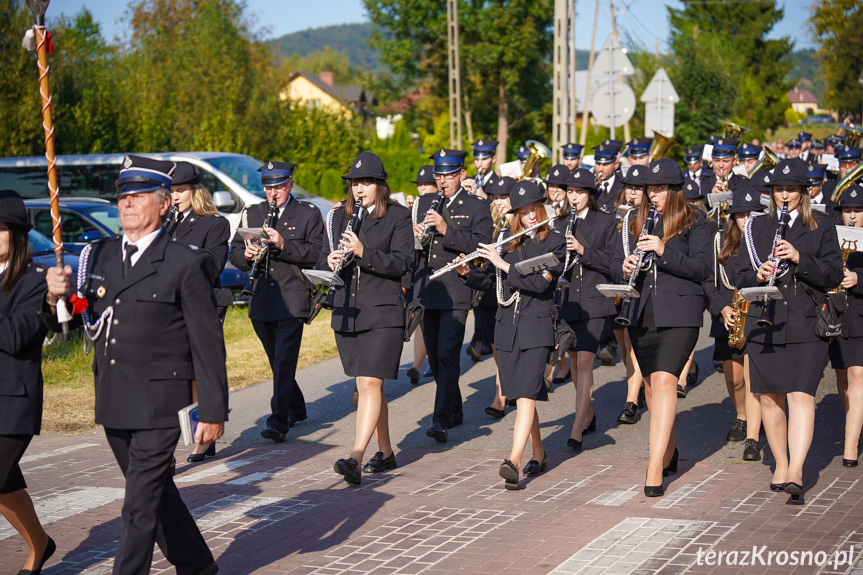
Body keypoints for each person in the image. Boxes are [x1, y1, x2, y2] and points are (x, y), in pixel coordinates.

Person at [44, 155, 228, 574]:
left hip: (161, 402)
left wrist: (214, 411)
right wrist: (53, 296)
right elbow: (78, 316)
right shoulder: (101, 256)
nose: (127, 204)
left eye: (138, 196)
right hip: (115, 398)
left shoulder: (185, 260)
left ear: (164, 204)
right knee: (155, 493)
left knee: (137, 506)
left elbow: (207, 342)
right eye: (123, 197)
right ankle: (198, 565)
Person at [736, 159, 843, 499]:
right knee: (769, 397)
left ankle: (796, 468)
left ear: (804, 192)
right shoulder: (755, 228)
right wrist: (756, 274)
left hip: (806, 321)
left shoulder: (822, 225)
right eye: (779, 190)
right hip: (764, 322)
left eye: (791, 190)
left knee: (801, 395)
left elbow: (833, 274)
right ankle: (780, 461)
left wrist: (799, 258)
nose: (784, 195)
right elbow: (738, 278)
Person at [611, 159, 712, 497]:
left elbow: (700, 268)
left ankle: (654, 468)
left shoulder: (696, 222)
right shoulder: (636, 220)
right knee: (652, 388)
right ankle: (668, 452)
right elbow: (613, 259)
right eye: (648, 189)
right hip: (642, 313)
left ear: (674, 190)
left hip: (680, 313)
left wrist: (664, 250)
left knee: (667, 380)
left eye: (658, 188)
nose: (651, 194)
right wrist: (622, 268)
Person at [455, 181, 566, 489]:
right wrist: (468, 274)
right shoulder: (507, 239)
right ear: (515, 215)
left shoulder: (555, 242)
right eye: (523, 212)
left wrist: (502, 263)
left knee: (527, 395)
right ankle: (539, 453)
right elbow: (493, 283)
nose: (530, 216)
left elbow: (541, 285)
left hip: (537, 326)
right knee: (519, 395)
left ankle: (514, 460)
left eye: (534, 209)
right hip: (506, 327)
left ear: (541, 209)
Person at [317, 153, 413, 485]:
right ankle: (385, 452)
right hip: (349, 312)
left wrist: (362, 252)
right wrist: (329, 259)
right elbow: (322, 253)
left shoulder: (398, 216)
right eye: (356, 183)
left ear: (380, 185)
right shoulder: (340, 217)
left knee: (371, 383)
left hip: (383, 312)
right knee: (367, 384)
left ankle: (356, 455)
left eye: (367, 182)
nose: (360, 189)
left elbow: (402, 263)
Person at [229, 161, 324, 442]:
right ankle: (296, 406)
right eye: (269, 188)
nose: (273, 193)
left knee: (284, 360)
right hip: (261, 297)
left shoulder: (307, 213)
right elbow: (234, 251)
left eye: (279, 187)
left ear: (290, 185)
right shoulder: (252, 213)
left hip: (293, 296)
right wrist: (245, 256)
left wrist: (284, 244)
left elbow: (317, 253)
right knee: (276, 360)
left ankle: (278, 420)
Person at [412, 149, 492, 442]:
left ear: (461, 174)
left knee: (447, 354)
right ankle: (455, 408)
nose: (442, 181)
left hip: (456, 291)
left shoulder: (477, 206)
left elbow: (482, 245)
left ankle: (440, 419)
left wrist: (447, 229)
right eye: (438, 176)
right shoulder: (423, 203)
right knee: (435, 357)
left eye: (447, 175)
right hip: (429, 290)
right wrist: (416, 235)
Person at [0, 190, 55, 575]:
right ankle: (40, 544)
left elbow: (18, 337)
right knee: (5, 485)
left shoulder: (34, 280)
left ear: (17, 234)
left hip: (11, 401)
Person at [169, 162, 231, 463]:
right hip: (167, 310)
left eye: (180, 190)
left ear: (195, 192)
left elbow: (215, 263)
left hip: (199, 307)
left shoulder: (214, 224)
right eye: (171, 191)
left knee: (196, 375)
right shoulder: (164, 224)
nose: (175, 196)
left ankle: (203, 437)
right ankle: (166, 446)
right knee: (170, 378)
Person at [556, 169, 617, 450]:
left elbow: (613, 262)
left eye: (579, 192)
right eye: (570, 192)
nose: (574, 197)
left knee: (583, 363)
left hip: (593, 301)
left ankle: (577, 428)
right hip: (568, 301)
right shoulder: (561, 221)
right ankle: (588, 413)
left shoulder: (605, 220)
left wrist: (583, 250)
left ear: (589, 195)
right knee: (573, 362)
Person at [704, 186, 764, 459]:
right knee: (735, 378)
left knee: (753, 377)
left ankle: (752, 434)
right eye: (741, 215)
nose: (746, 220)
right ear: (734, 217)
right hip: (729, 311)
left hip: (758, 311)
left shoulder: (765, 238)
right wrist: (721, 309)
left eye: (751, 214)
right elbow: (708, 282)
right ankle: (741, 415)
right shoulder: (719, 241)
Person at [611, 166, 647, 424]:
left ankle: (631, 400)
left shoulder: (651, 217)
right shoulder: (618, 216)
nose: (632, 192)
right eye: (629, 188)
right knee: (624, 346)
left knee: (633, 345)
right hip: (620, 286)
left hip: (643, 286)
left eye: (638, 188)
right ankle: (637, 383)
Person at [832, 185, 863, 467]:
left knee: (857, 375)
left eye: (857, 211)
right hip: (836, 315)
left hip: (861, 315)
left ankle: (850, 446)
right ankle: (853, 421)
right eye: (847, 211)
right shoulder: (831, 235)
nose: (852, 216)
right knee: (842, 376)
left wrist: (858, 278)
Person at [465, 140, 500, 361]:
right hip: (476, 240)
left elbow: (502, 210)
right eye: (476, 158)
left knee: (487, 292)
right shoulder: (472, 179)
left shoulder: (498, 182)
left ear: (493, 159)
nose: (479, 163)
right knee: (476, 289)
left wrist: (483, 198)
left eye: (484, 158)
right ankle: (481, 339)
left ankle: (483, 340)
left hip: (494, 239)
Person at [406, 166, 437, 384]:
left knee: (431, 322)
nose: (422, 188)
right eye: (419, 184)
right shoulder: (416, 205)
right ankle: (417, 365)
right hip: (418, 268)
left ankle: (431, 363)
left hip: (436, 269)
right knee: (419, 319)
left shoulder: (438, 203)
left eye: (426, 184)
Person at [593, 143, 623, 214]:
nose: (600, 169)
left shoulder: (623, 185)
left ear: (615, 164)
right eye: (598, 164)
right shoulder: (590, 184)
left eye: (605, 164)